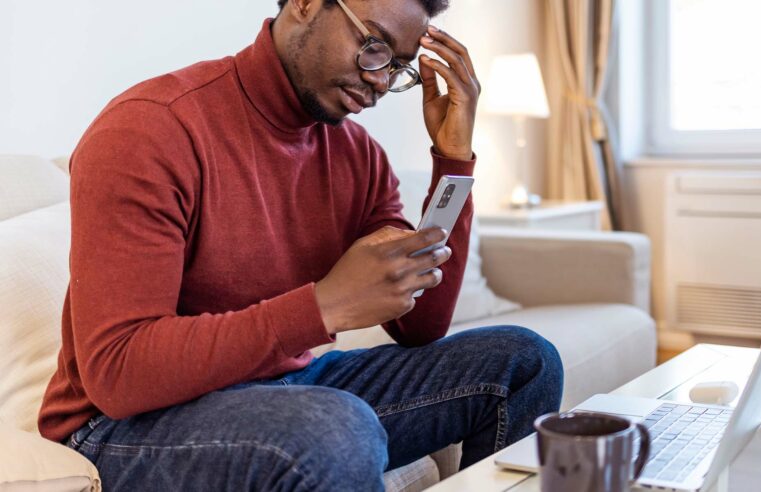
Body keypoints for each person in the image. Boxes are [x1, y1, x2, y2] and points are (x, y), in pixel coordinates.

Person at [38, 0, 564, 489]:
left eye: (398, 67)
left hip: (284, 389)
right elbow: (120, 372)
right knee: (335, 428)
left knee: (523, 360)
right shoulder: (151, 127)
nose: (380, 81)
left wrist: (453, 161)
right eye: (374, 45)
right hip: (123, 426)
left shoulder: (357, 155)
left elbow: (420, 325)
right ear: (307, 3)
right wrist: (324, 306)